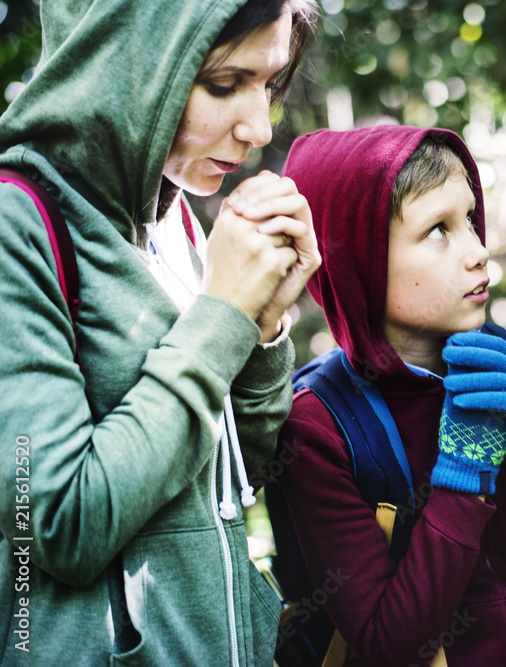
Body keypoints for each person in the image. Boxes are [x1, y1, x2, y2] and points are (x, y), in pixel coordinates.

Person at [0, 0, 319, 664]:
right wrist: (223, 313)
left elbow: (232, 476)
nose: (259, 127)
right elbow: (57, 521)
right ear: (125, 59)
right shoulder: (17, 223)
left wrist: (259, 333)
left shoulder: (175, 222)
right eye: (226, 83)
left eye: (271, 83)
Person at [276, 125, 506, 666]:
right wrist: (462, 481)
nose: (478, 251)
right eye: (438, 230)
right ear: (359, 261)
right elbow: (389, 645)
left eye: (469, 218)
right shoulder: (320, 426)